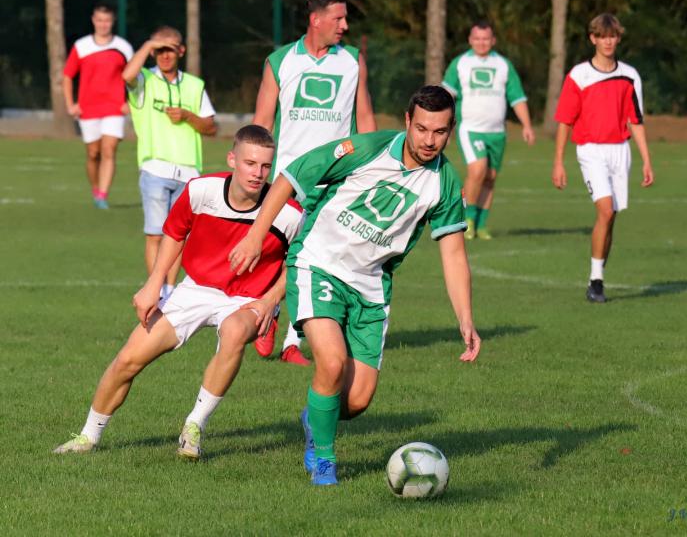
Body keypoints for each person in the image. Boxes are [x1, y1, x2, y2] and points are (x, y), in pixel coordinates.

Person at [228, 86, 481, 486]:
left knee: (357, 400)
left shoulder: (444, 182)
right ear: (407, 121)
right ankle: (324, 462)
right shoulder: (366, 149)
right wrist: (256, 235)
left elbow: (453, 253)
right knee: (331, 363)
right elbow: (291, 177)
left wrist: (465, 318)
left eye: (440, 131)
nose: (429, 140)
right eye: (421, 129)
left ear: (451, 130)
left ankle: (315, 418)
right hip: (318, 264)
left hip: (371, 287)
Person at [53, 126, 303, 459]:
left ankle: (194, 426)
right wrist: (153, 284)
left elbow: (300, 262)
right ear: (232, 159)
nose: (257, 173)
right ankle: (88, 436)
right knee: (128, 359)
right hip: (195, 289)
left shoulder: (288, 213)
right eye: (250, 163)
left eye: (265, 166)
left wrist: (270, 301)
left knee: (233, 333)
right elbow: (174, 232)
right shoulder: (201, 190)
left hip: (247, 299)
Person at [252, 0, 376, 365]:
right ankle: (270, 309)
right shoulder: (280, 62)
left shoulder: (352, 61)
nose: (345, 25)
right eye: (338, 18)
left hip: (336, 180)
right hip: (287, 180)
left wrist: (373, 168)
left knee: (314, 259)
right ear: (315, 19)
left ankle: (293, 341)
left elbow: (365, 118)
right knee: (280, 254)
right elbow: (262, 122)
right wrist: (254, 170)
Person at [551, 13, 654, 303]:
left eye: (612, 36)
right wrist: (558, 161)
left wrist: (647, 160)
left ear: (618, 39)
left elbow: (636, 121)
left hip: (620, 150)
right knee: (606, 211)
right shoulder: (579, 75)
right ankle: (596, 281)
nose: (608, 41)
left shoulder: (630, 75)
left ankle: (596, 278)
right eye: (602, 36)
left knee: (610, 218)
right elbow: (565, 121)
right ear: (593, 39)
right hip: (590, 150)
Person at [122, 26, 217, 302]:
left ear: (181, 51)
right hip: (155, 168)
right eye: (159, 50)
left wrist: (188, 116)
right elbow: (126, 75)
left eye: (170, 49)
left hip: (188, 171)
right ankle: (156, 288)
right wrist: (148, 44)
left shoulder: (194, 85)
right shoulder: (146, 80)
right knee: (155, 234)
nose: (164, 55)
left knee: (179, 236)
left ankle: (169, 291)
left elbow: (211, 127)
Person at [442, 20, 535, 240]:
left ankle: (481, 224)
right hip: (470, 128)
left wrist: (527, 125)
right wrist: (443, 126)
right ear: (470, 40)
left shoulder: (503, 65)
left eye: (485, 39)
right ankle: (467, 220)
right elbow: (446, 95)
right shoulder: (460, 63)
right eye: (477, 38)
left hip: (497, 131)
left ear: (493, 40)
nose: (481, 42)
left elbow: (516, 97)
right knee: (477, 170)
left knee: (490, 177)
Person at [62, 3, 134, 209]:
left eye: (107, 20)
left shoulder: (123, 47)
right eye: (100, 20)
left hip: (114, 108)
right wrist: (70, 104)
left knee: (109, 150)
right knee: (93, 153)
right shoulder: (81, 46)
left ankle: (103, 195)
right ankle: (96, 189)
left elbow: (134, 77)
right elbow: (67, 76)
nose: (103, 24)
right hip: (88, 109)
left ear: (112, 22)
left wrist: (130, 103)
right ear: (94, 21)